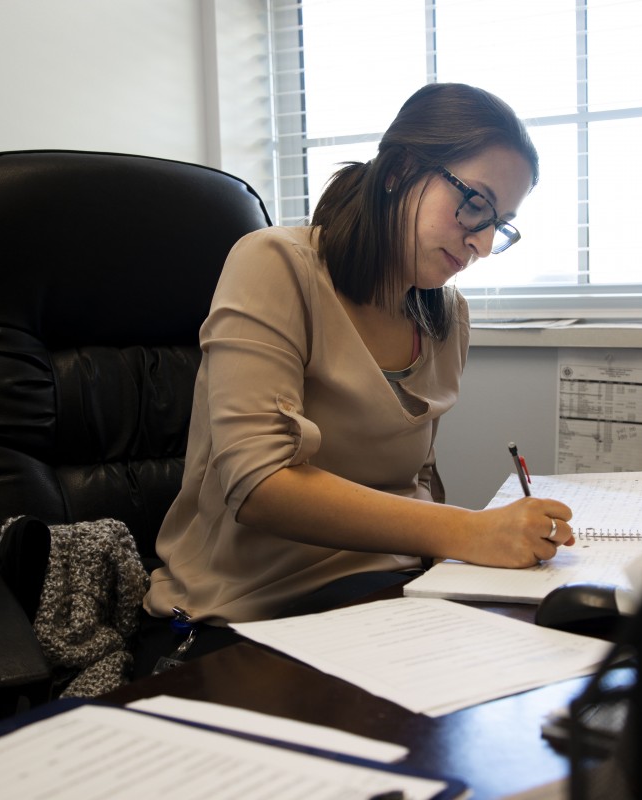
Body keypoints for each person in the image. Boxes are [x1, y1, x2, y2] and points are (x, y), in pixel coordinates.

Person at [143, 83, 573, 625]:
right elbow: (259, 485)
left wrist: (469, 554)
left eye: (499, 224)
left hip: (393, 594)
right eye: (475, 204)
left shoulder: (446, 315)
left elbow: (415, 480)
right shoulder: (276, 264)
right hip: (253, 609)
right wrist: (467, 530)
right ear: (398, 172)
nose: (482, 244)